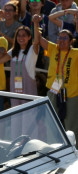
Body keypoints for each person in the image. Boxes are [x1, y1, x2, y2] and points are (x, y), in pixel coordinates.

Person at [34, 14, 78, 142]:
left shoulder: (75, 53)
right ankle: (55, 146)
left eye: (65, 38)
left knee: (71, 124)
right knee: (51, 121)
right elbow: (39, 40)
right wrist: (36, 24)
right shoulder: (53, 49)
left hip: (72, 93)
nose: (61, 40)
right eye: (60, 38)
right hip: (54, 90)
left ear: (71, 41)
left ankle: (74, 150)